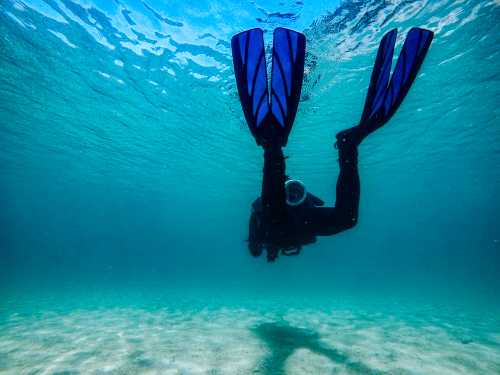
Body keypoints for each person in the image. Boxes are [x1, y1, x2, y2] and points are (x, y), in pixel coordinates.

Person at [231, 27, 434, 261]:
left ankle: (272, 146)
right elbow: (254, 248)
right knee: (342, 220)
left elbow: (265, 226)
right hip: (285, 225)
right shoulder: (263, 222)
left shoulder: (289, 210)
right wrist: (259, 237)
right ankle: (347, 146)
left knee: (281, 212)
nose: (293, 195)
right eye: (291, 192)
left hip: (290, 222)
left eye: (294, 192)